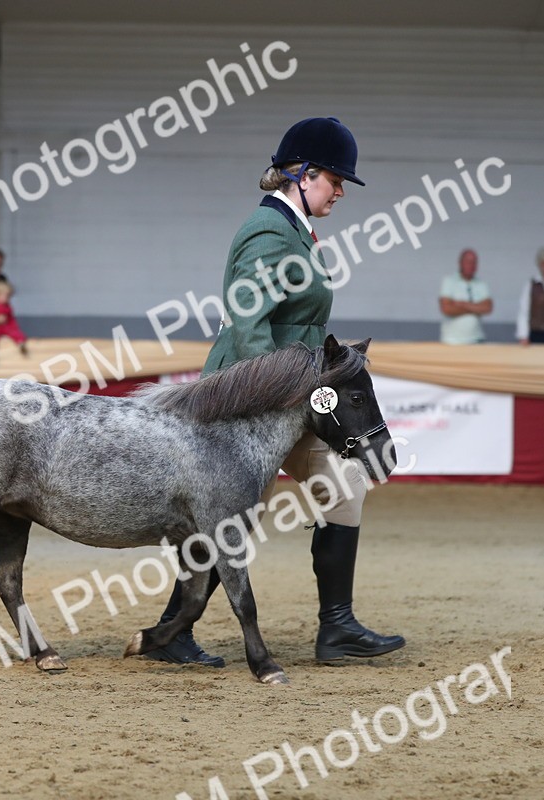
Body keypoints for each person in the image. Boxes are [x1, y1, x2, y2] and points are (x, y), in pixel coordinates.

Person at [144, 117, 404, 667]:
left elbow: (297, 327)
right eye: (334, 179)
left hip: (293, 403)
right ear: (302, 174)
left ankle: (337, 627)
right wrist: (282, 404)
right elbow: (249, 325)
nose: (340, 190)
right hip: (253, 403)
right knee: (233, 520)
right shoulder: (269, 233)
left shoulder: (297, 233)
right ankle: (170, 635)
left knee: (344, 484)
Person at [438, 249, 493, 344]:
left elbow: (487, 308)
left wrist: (463, 304)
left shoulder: (481, 284)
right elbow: (446, 309)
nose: (471, 265)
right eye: (468, 262)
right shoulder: (449, 281)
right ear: (460, 263)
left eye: (474, 262)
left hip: (476, 338)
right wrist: (476, 307)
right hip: (452, 341)